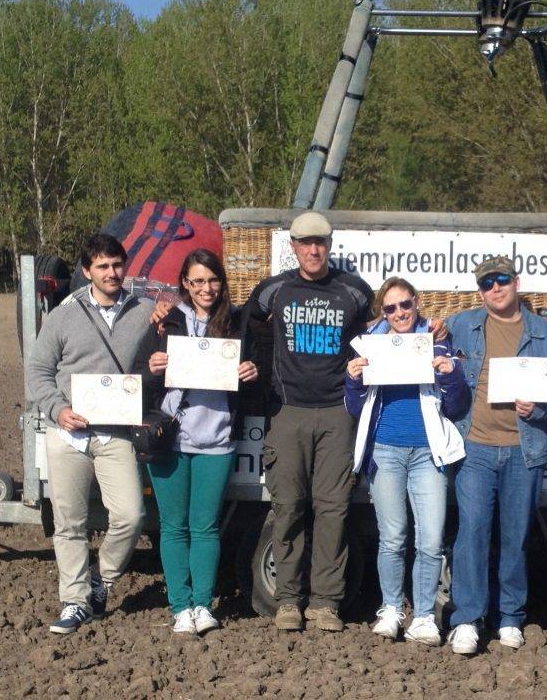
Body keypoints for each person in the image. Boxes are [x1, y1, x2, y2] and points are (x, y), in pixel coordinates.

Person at [242, 211, 373, 632]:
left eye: (320, 242)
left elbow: (377, 336)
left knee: (333, 510)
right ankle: (288, 601)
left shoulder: (354, 291)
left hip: (339, 413)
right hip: (287, 412)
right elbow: (243, 327)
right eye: (304, 243)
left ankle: (326, 602)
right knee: (288, 508)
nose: (313, 249)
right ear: (293, 247)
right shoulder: (273, 291)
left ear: (329, 246)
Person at [445, 256, 547, 655]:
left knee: (516, 536)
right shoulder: (459, 326)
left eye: (502, 280)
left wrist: (538, 407)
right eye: (487, 283)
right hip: (474, 447)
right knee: (471, 534)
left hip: (526, 449)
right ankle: (467, 619)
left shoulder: (544, 332)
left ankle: (509, 618)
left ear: (516, 282)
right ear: (480, 291)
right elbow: (417, 341)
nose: (495, 288)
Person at [25, 234, 154, 634]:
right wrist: (59, 410)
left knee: (131, 515)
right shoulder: (64, 315)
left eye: (117, 264)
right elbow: (37, 372)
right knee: (69, 524)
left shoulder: (145, 311)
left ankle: (103, 580)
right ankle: (76, 601)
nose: (112, 272)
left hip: (115, 433)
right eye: (102, 266)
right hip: (68, 435)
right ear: (87, 272)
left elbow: (160, 360)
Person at [344, 277, 470, 645]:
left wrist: (452, 375)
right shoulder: (369, 347)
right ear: (382, 311)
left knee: (430, 540)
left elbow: (458, 406)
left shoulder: (436, 341)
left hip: (428, 454)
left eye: (405, 305)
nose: (399, 313)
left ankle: (425, 616)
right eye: (390, 308)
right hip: (385, 451)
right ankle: (391, 608)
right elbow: (354, 407)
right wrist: (353, 380)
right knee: (393, 538)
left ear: (416, 303)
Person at [144, 249, 259, 635]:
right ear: (185, 285)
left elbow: (256, 367)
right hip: (170, 438)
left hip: (217, 438)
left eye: (212, 280)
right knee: (174, 527)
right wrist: (153, 366)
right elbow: (141, 373)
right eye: (196, 281)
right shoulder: (167, 321)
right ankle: (180, 606)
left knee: (206, 526)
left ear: (221, 283)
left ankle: (203, 605)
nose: (205, 288)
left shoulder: (238, 322)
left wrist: (251, 370)